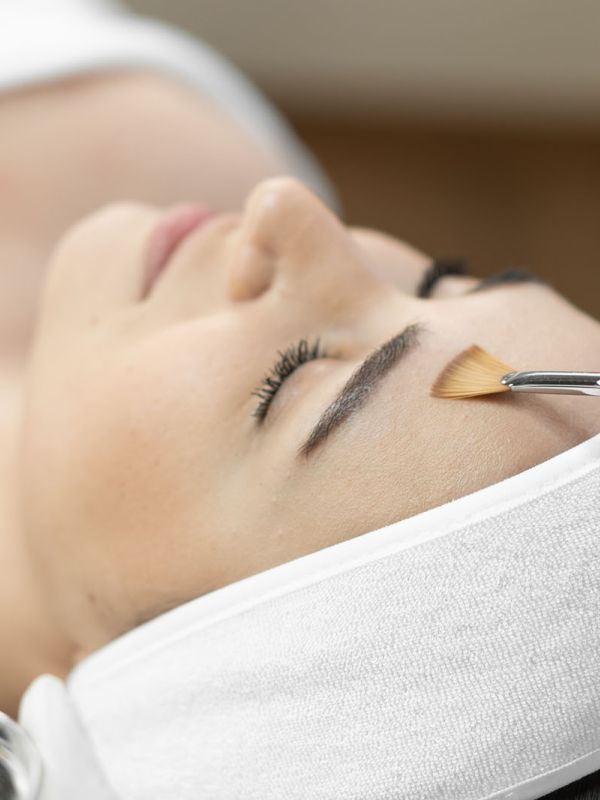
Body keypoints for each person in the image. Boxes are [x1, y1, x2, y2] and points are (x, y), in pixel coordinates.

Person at [0, 3, 599, 800]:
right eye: (441, 278)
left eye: (296, 375)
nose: (291, 211)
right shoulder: (181, 153)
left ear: (118, 673)